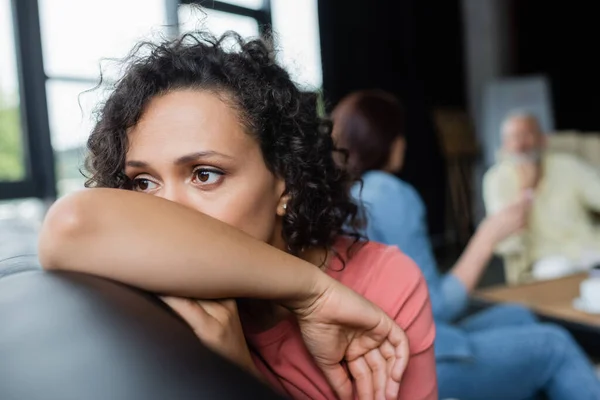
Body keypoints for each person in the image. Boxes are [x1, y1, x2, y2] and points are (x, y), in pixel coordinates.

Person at [37, 33, 437, 400]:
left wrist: (240, 374)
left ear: (287, 182)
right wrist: (312, 293)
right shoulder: (152, 294)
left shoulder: (384, 285)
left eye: (204, 174)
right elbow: (71, 224)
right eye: (144, 183)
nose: (165, 211)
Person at [332, 89, 600, 400]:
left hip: (394, 348)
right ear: (388, 140)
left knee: (519, 316)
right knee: (555, 344)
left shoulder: (350, 195)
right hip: (417, 361)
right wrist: (487, 236)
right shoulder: (390, 194)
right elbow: (434, 307)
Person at [484, 111, 600, 283]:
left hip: (589, 248)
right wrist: (526, 191)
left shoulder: (567, 165)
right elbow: (505, 241)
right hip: (548, 261)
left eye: (527, 134)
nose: (521, 144)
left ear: (543, 139)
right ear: (505, 145)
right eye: (514, 137)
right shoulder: (496, 179)